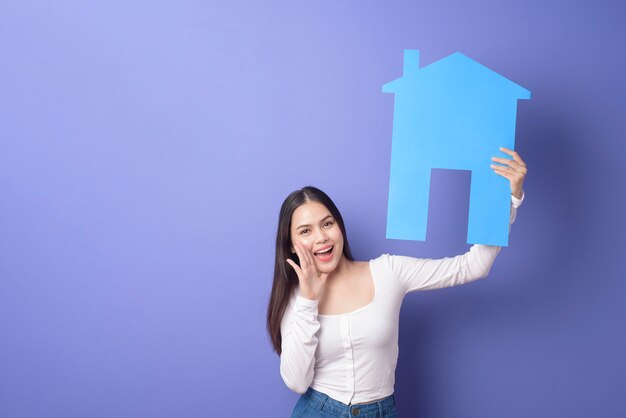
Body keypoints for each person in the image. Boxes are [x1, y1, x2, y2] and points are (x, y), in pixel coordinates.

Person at [267, 148, 527, 417]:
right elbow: (297, 381)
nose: (321, 237)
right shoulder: (295, 301)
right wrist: (308, 300)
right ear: (292, 246)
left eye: (327, 223)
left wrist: (509, 199)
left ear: (340, 227)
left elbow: (472, 266)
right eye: (306, 231)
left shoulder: (388, 272)